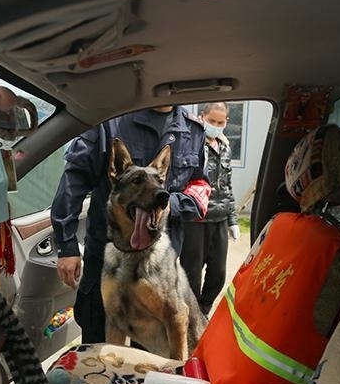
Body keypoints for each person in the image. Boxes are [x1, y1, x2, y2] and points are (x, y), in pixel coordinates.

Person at [50, 106, 208, 343]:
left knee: (151, 356)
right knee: (99, 347)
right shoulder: (109, 120)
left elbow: (201, 187)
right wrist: (67, 245)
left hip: (159, 270)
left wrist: (168, 204)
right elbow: (75, 180)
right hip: (107, 263)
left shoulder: (193, 130)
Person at [180, 102, 239, 316]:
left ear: (226, 122)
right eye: (211, 120)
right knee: (191, 273)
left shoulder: (225, 147)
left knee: (218, 274)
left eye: (220, 122)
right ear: (202, 117)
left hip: (220, 218)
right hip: (196, 219)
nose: (215, 125)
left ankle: (203, 310)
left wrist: (232, 220)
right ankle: (191, 314)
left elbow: (227, 185)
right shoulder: (192, 144)